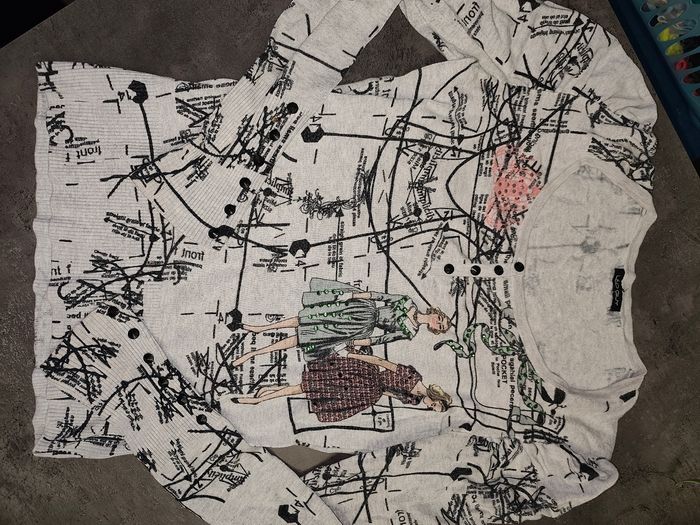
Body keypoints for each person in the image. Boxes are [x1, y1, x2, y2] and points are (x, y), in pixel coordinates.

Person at [230, 277, 451, 368]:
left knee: (307, 337)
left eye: (440, 326)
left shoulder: (410, 332)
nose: (437, 322)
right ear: (436, 312)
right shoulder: (408, 301)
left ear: (434, 329)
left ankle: (252, 354)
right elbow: (378, 296)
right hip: (360, 308)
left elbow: (380, 339)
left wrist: (352, 343)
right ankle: (260, 328)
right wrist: (351, 296)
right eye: (440, 318)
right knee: (308, 318)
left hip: (359, 328)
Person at [232, 350, 452, 423]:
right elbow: (382, 363)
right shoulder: (413, 376)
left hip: (366, 394)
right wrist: (354, 356)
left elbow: (388, 393)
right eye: (435, 405)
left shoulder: (415, 400)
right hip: (362, 375)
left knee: (309, 389)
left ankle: (266, 394)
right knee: (308, 386)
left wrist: (365, 399)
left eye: (433, 409)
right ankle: (259, 399)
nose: (430, 407)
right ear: (437, 397)